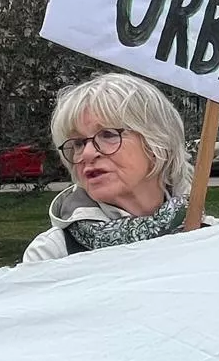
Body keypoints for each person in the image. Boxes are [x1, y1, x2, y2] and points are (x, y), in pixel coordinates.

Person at [23, 73, 197, 262]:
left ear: (158, 143)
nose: (87, 154)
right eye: (79, 143)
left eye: (108, 134)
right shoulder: (51, 255)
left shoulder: (211, 238)